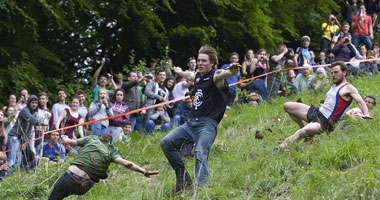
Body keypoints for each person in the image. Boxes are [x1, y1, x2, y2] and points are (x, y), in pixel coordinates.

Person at [160, 45, 240, 196]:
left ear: (212, 64)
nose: (200, 63)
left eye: (204, 61)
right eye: (199, 60)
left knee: (200, 151)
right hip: (191, 124)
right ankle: (184, 181)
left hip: (207, 125)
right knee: (166, 142)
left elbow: (226, 74)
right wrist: (178, 71)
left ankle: (199, 191)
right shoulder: (197, 76)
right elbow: (189, 75)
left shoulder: (215, 76)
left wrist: (233, 70)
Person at [279, 61, 372, 147]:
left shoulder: (349, 88)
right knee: (287, 106)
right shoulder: (334, 86)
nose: (333, 75)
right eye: (331, 73)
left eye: (336, 72)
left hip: (325, 122)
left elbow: (360, 101)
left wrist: (366, 113)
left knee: (301, 132)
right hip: (318, 112)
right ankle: (309, 135)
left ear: (344, 72)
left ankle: (280, 148)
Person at [48, 133, 159, 200]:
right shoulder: (112, 150)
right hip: (84, 185)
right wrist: (144, 171)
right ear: (110, 143)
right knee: (83, 184)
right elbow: (127, 164)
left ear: (100, 137)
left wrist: (64, 137)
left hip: (69, 176)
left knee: (58, 191)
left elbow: (68, 142)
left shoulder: (92, 138)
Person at [7, 95, 47, 169]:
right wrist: (41, 123)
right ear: (29, 103)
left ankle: (14, 178)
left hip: (20, 139)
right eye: (32, 102)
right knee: (11, 160)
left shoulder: (34, 113)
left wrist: (24, 142)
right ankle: (4, 177)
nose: (34, 104)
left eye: (36, 103)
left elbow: (28, 130)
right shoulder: (25, 111)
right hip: (14, 137)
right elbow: (30, 119)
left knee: (17, 162)